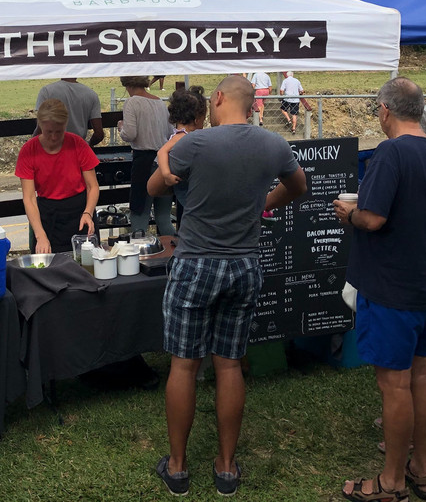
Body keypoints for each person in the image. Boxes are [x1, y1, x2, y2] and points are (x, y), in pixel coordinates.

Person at [149, 75, 306, 496]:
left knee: (184, 365)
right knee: (230, 364)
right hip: (244, 265)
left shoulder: (195, 144)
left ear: (217, 98)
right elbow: (299, 186)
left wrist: (167, 157)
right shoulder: (273, 143)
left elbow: (154, 188)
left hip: (195, 265)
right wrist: (263, 205)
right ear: (252, 102)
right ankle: (226, 467)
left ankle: (177, 468)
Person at [333, 78, 426, 502]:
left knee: (395, 384)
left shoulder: (390, 152)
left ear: (385, 110)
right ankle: (421, 470)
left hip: (393, 286)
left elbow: (372, 219)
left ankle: (390, 482)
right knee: (421, 376)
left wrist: (349, 215)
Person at [17, 98, 100, 253]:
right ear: (40, 125)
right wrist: (40, 235)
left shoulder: (78, 144)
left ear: (65, 125)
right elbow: (29, 198)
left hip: (80, 212)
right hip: (48, 216)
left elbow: (93, 186)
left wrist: (88, 212)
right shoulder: (29, 151)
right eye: (49, 132)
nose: (54, 137)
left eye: (59, 131)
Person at [118, 75, 175, 236]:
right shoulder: (160, 103)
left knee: (140, 213)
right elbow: (170, 132)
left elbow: (130, 134)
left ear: (127, 85)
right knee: (164, 217)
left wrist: (121, 127)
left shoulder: (132, 102)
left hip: (143, 160)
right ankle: (174, 247)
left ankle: (139, 247)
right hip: (164, 161)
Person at [150, 85, 209, 231]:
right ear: (197, 119)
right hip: (184, 191)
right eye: (204, 117)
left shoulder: (183, 136)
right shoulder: (182, 137)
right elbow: (162, 152)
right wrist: (166, 175)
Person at [35, 78, 105, 146]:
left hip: (52, 147)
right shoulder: (91, 94)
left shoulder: (46, 91)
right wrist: (88, 144)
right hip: (77, 147)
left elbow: (40, 128)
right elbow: (99, 134)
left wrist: (32, 146)